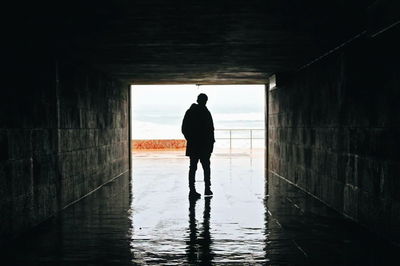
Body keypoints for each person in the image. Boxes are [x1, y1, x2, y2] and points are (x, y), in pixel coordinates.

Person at [182, 93, 215, 198]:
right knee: (206, 167)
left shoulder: (190, 112)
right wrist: (210, 144)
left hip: (194, 145)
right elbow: (210, 130)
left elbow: (184, 128)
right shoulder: (206, 112)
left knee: (193, 168)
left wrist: (190, 139)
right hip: (204, 146)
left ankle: (192, 190)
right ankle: (207, 189)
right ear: (205, 101)